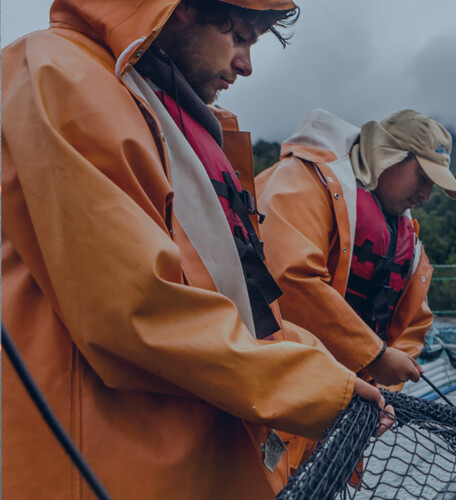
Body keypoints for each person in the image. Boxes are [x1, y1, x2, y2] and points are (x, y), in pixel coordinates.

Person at [1, 1, 390, 499]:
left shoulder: (162, 106)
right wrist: (317, 390)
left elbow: (249, 310)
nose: (247, 64)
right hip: (109, 472)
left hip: (200, 464)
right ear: (180, 9)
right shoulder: (60, 74)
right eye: (241, 37)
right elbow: (135, 307)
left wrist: (330, 369)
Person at [254, 108, 456, 469]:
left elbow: (414, 323)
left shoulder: (407, 239)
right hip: (270, 401)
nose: (428, 194)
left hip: (336, 410)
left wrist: (383, 393)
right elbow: (288, 278)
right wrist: (376, 357)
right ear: (389, 154)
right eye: (424, 177)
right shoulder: (301, 181)